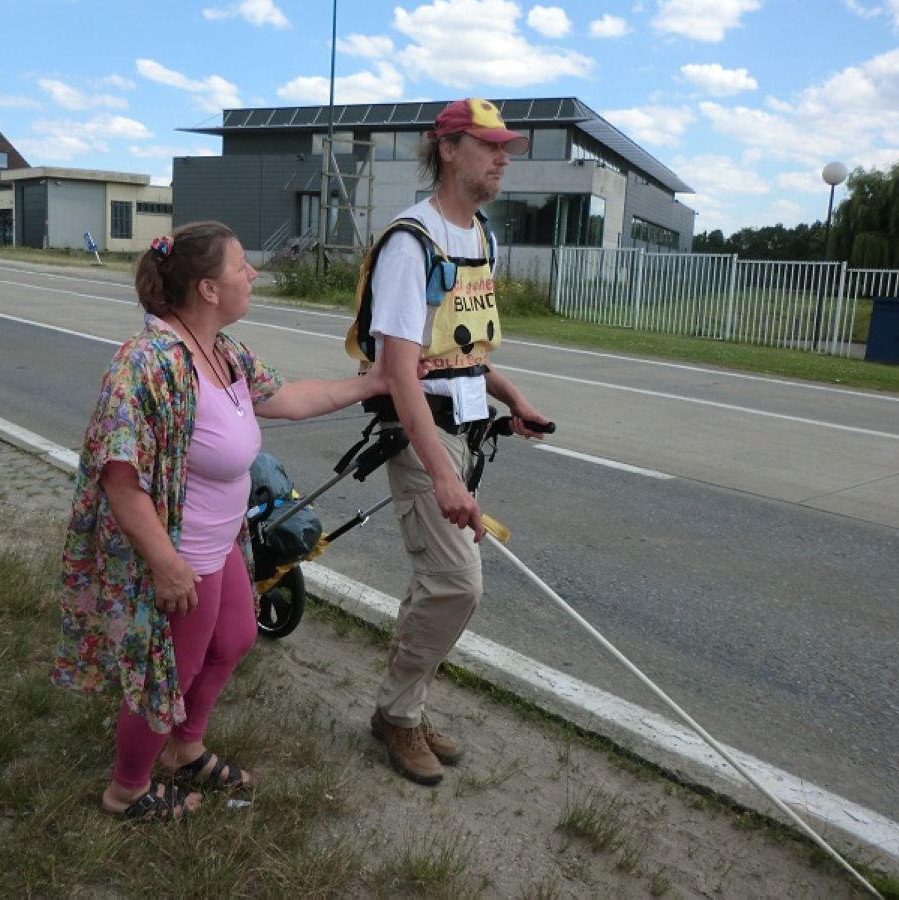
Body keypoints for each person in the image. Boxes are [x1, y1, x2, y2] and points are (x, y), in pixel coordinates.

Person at [54, 221, 387, 820]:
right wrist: (166, 565)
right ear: (209, 289)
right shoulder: (147, 362)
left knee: (233, 639)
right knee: (167, 680)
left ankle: (185, 750)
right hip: (182, 556)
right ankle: (127, 789)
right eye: (241, 266)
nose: (252, 275)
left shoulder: (222, 352)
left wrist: (374, 383)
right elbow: (119, 479)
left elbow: (289, 398)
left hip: (221, 544)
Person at [346, 98, 552, 786]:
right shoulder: (414, 243)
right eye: (488, 146)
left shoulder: (481, 239)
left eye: (505, 149)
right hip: (419, 434)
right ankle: (397, 716)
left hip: (463, 430)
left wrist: (513, 400)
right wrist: (439, 472)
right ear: (448, 149)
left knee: (436, 585)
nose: (502, 159)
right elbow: (399, 371)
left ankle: (405, 705)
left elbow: (462, 350)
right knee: (458, 584)